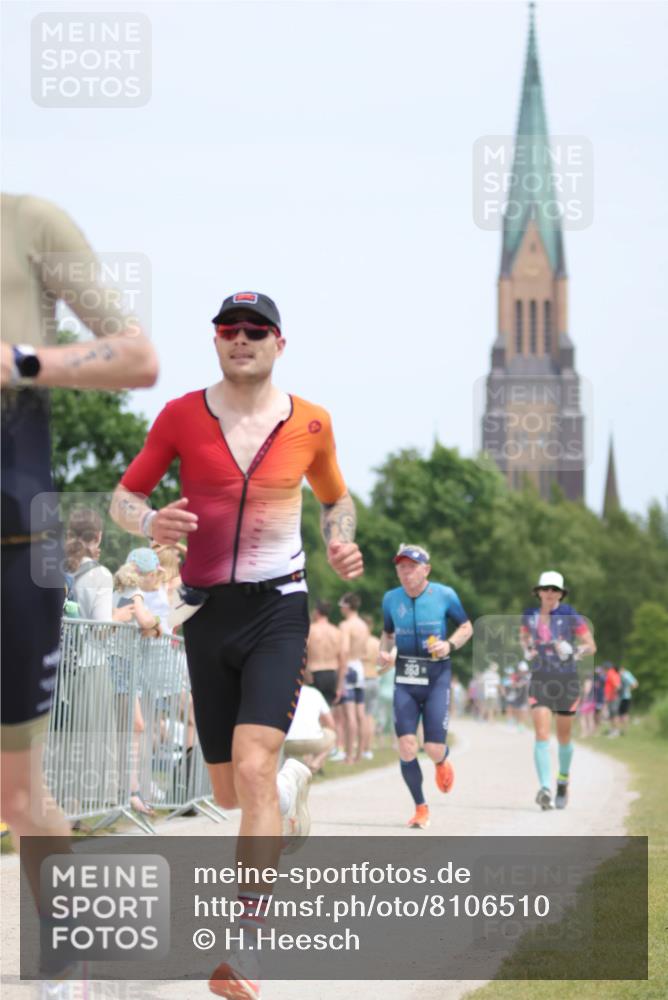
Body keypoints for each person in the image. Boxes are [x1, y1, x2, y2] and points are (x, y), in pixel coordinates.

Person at [110, 290, 362, 1000]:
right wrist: (148, 521)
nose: (241, 338)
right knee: (229, 789)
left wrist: (339, 541)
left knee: (250, 768)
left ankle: (246, 950)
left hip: (279, 609)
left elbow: (336, 498)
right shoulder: (180, 416)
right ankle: (285, 788)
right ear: (216, 339)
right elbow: (123, 498)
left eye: (256, 329)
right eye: (230, 329)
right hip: (206, 613)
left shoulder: (311, 422)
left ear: (279, 342)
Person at [1, 192, 157, 982]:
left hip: (13, 549)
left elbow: (137, 356)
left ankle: (62, 959)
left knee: (16, 796)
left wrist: (22, 363)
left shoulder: (28, 223)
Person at [378, 544, 472, 830]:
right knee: (406, 746)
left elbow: (467, 627)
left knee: (432, 747)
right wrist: (384, 654)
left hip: (436, 679)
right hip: (405, 681)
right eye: (401, 567)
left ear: (426, 569)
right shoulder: (391, 599)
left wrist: (449, 645)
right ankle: (420, 808)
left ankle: (442, 760)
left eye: (412, 567)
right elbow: (387, 634)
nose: (406, 572)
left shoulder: (444, 595)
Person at [521, 571, 596, 810]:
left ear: (561, 593)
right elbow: (524, 639)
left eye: (555, 589)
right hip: (541, 679)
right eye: (546, 589)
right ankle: (545, 789)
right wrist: (527, 649)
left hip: (566, 680)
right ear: (538, 592)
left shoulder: (570, 615)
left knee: (564, 737)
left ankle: (563, 780)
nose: (550, 593)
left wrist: (574, 650)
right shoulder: (530, 615)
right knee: (542, 734)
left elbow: (591, 646)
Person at [338, 592, 370, 764]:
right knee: (360, 714)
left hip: (349, 667)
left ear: (347, 606)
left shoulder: (345, 625)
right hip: (360, 666)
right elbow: (364, 651)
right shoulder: (364, 626)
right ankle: (360, 754)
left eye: (341, 605)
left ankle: (349, 755)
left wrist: (341, 672)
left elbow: (344, 650)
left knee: (349, 715)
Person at [283, 681, 337, 774]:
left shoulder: (283, 693)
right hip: (313, 742)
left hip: (287, 743)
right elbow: (331, 723)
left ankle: (287, 768)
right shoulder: (315, 693)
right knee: (332, 735)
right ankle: (316, 762)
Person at [361, 615, 381, 759]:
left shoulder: (358, 642)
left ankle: (361, 748)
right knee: (370, 716)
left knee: (361, 716)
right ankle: (368, 749)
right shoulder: (376, 642)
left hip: (362, 680)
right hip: (374, 679)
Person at [603, 661, 622, 736]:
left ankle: (616, 731)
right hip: (611, 697)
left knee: (614, 714)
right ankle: (613, 730)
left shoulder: (611, 673)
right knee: (612, 715)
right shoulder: (611, 673)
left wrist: (611, 695)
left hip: (613, 697)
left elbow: (617, 686)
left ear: (606, 668)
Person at [618, 667, 638, 733]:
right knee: (620, 714)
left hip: (626, 697)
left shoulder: (626, 675)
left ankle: (625, 730)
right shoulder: (623, 675)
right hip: (621, 697)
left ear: (622, 670)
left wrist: (628, 690)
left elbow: (635, 684)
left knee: (624, 714)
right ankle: (622, 729)